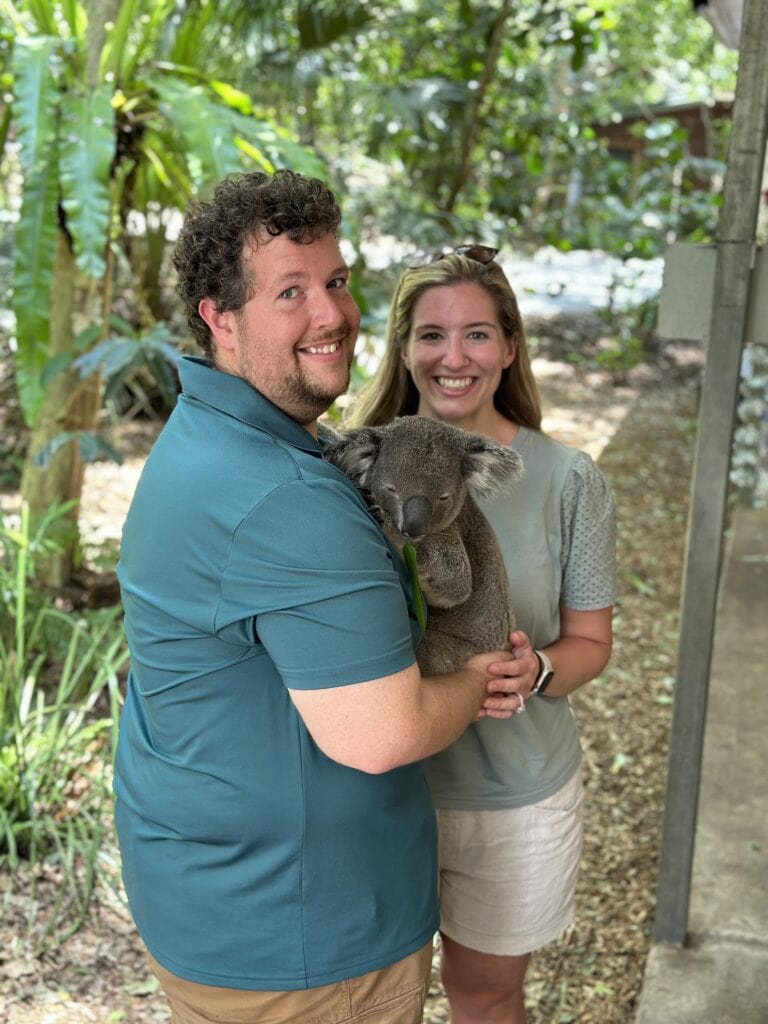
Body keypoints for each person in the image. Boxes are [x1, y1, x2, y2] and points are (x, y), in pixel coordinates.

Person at [113, 173, 520, 1024]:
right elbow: (385, 734)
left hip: (223, 902)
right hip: (303, 950)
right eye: (289, 292)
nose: (330, 314)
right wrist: (483, 672)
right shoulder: (286, 501)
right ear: (218, 319)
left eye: (335, 280)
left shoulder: (216, 437)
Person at [347, 245, 616, 1024]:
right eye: (431, 335)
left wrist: (534, 672)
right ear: (403, 349)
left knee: (486, 997)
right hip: (375, 788)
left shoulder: (568, 480)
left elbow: (590, 644)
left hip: (511, 796)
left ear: (508, 347)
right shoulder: (356, 464)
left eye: (475, 335)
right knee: (370, 1001)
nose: (452, 357)